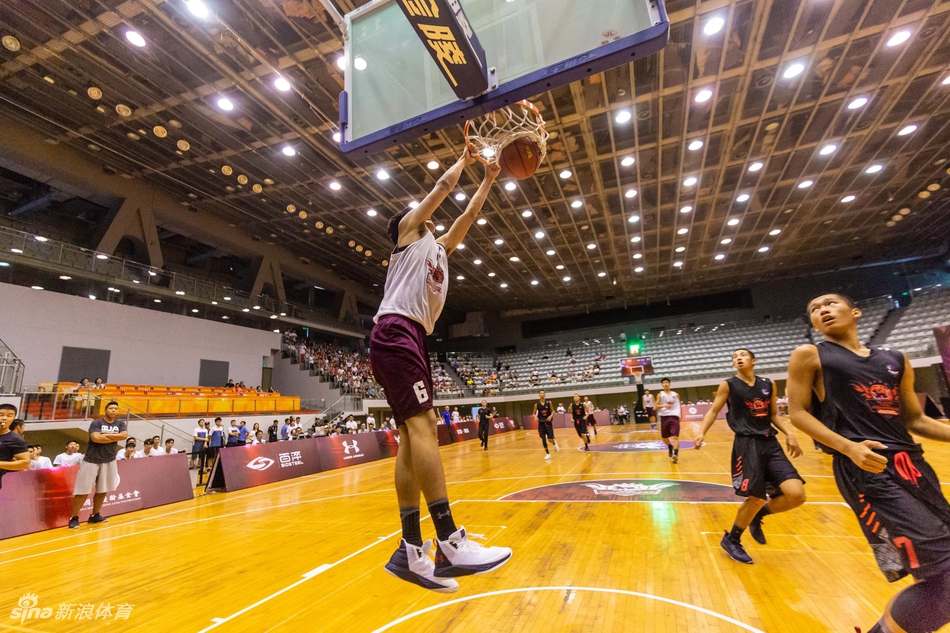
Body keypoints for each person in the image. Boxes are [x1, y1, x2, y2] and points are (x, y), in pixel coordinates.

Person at [369, 149, 509, 593]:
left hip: (410, 337)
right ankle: (448, 541)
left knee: (412, 437)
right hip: (396, 331)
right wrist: (466, 158)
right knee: (425, 425)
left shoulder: (440, 249)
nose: (430, 216)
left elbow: (467, 212)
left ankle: (411, 550)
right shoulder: (409, 235)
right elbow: (445, 189)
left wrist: (489, 177)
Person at [787, 293, 950, 633]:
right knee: (944, 561)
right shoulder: (811, 355)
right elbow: (799, 412)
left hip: (913, 466)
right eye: (814, 309)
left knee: (943, 578)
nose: (822, 310)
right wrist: (848, 447)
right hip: (867, 470)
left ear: (855, 311)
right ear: (814, 324)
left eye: (829, 303)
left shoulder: (896, 359)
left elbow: (915, 419)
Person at [694, 349, 806, 564]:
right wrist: (701, 432)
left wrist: (789, 432)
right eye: (735, 356)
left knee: (796, 495)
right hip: (747, 444)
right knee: (755, 497)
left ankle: (760, 515)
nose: (738, 358)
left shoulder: (768, 384)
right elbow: (714, 410)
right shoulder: (729, 385)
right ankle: (732, 539)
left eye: (743, 355)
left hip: (770, 443)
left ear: (753, 360)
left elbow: (773, 414)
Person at [68, 401, 127, 529]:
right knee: (83, 491)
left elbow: (124, 436)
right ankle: (74, 517)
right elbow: (96, 438)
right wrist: (114, 437)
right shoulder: (97, 423)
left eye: (116, 409)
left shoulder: (120, 423)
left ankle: (95, 515)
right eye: (111, 408)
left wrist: (105, 435)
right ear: (105, 410)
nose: (113, 410)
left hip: (109, 460)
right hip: (91, 460)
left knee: (102, 489)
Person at [0, 405, 30, 489]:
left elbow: (25, 463)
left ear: (13, 419)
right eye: (1, 414)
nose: (4, 418)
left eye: (9, 415)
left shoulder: (15, 439)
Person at [657, 378, 682, 464]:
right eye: (664, 383)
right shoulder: (660, 395)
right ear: (662, 385)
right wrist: (664, 406)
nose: (665, 384)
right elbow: (655, 407)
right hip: (664, 417)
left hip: (674, 416)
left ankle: (675, 454)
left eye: (667, 382)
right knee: (664, 438)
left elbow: (679, 405)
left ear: (670, 384)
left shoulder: (676, 395)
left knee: (675, 436)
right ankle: (669, 446)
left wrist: (680, 415)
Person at [533, 390, 558, 460]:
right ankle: (548, 453)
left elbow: (553, 411)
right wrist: (535, 417)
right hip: (541, 423)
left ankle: (554, 443)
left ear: (545, 395)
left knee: (550, 438)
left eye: (543, 393)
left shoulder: (549, 402)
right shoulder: (536, 404)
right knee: (543, 439)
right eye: (540, 393)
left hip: (548, 423)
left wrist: (550, 416)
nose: (542, 394)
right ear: (539, 395)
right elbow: (533, 413)